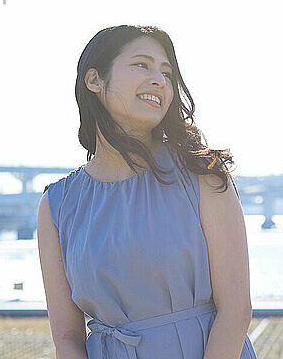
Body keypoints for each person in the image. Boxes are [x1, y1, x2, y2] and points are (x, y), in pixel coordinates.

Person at [37, 25, 258, 359]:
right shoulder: (56, 204)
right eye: (142, 65)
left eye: (167, 73)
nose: (159, 80)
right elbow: (67, 336)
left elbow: (236, 311)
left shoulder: (203, 177)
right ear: (95, 81)